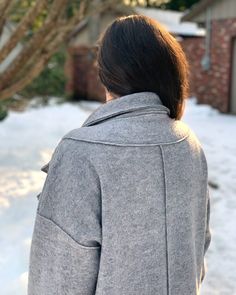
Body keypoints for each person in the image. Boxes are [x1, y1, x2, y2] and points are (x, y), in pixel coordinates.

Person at [28, 15, 211, 295]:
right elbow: (199, 249)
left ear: (105, 74)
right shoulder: (189, 144)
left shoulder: (82, 152)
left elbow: (56, 279)